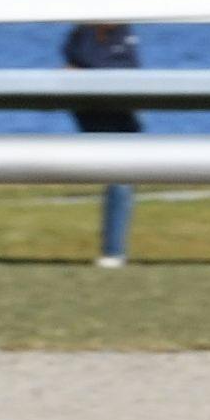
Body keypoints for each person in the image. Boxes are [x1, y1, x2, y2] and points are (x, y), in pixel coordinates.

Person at [63, 22, 143, 268]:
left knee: (120, 179)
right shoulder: (82, 33)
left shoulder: (123, 35)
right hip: (92, 114)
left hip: (119, 116)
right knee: (117, 178)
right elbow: (72, 62)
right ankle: (113, 251)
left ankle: (114, 251)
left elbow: (125, 68)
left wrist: (83, 72)